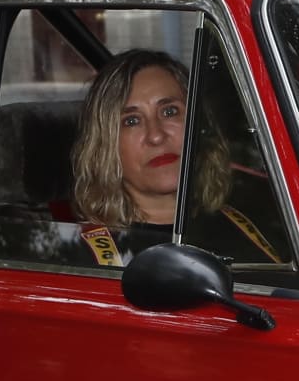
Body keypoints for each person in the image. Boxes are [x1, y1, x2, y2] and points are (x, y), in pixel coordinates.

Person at [70, 49, 282, 270]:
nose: (156, 135)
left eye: (170, 111)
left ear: (198, 125)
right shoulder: (83, 258)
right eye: (131, 121)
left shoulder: (243, 225)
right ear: (104, 145)